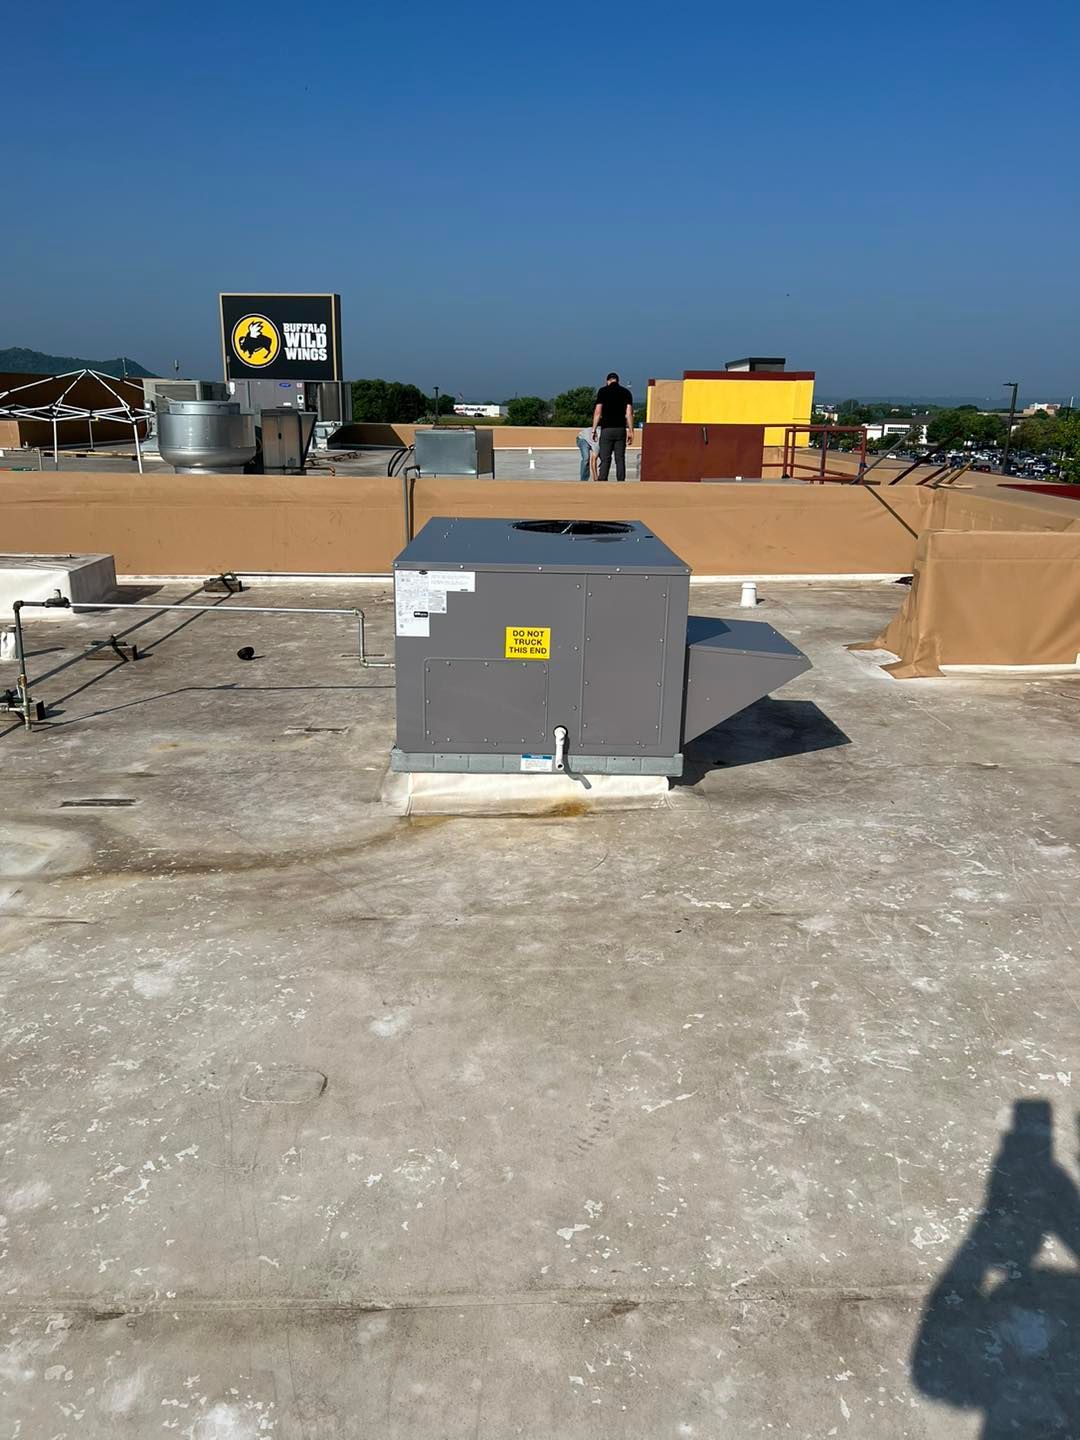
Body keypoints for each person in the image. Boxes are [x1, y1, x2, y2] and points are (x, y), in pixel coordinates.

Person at [592, 373, 634, 482]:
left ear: (607, 381)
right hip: (620, 429)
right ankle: (621, 481)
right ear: (617, 381)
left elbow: (597, 412)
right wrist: (631, 431)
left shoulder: (603, 391)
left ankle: (602, 480)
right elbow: (629, 413)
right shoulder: (626, 392)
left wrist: (594, 430)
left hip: (607, 429)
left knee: (605, 458)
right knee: (620, 458)